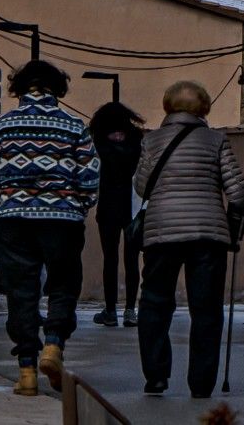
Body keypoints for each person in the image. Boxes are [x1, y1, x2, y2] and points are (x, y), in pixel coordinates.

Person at [0, 60, 99, 396]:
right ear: (58, 89)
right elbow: (90, 178)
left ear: (18, 89)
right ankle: (54, 345)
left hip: (13, 219)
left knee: (21, 291)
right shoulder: (75, 128)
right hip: (62, 220)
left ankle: (27, 370)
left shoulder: (1, 128)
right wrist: (77, 206)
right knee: (62, 284)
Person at [135, 81, 244, 398]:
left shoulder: (152, 141)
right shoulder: (216, 141)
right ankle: (201, 384)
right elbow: (238, 192)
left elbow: (142, 187)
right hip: (208, 235)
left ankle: (156, 376)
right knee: (207, 309)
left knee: (155, 303)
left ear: (167, 107)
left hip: (161, 234)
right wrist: (233, 228)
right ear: (205, 109)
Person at [89, 102, 145, 328]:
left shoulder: (99, 142)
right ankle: (130, 309)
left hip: (107, 206)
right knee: (132, 260)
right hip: (132, 206)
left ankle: (110, 310)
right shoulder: (137, 141)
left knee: (109, 259)